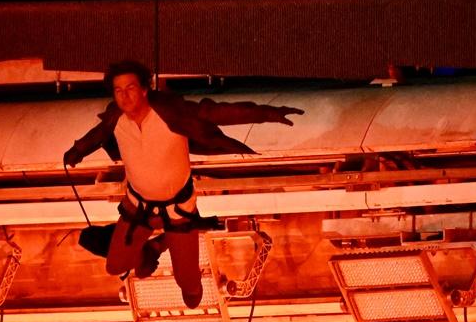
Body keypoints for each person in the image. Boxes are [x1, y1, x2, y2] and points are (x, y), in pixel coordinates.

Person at [64, 60, 304, 308]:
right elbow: (99, 133)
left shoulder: (170, 113)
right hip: (138, 208)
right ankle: (152, 248)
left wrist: (265, 114)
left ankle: (158, 245)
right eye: (118, 90)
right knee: (115, 266)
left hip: (178, 212)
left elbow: (215, 112)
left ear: (145, 89)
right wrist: (78, 149)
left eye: (131, 87)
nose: (125, 95)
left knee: (191, 293)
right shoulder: (116, 117)